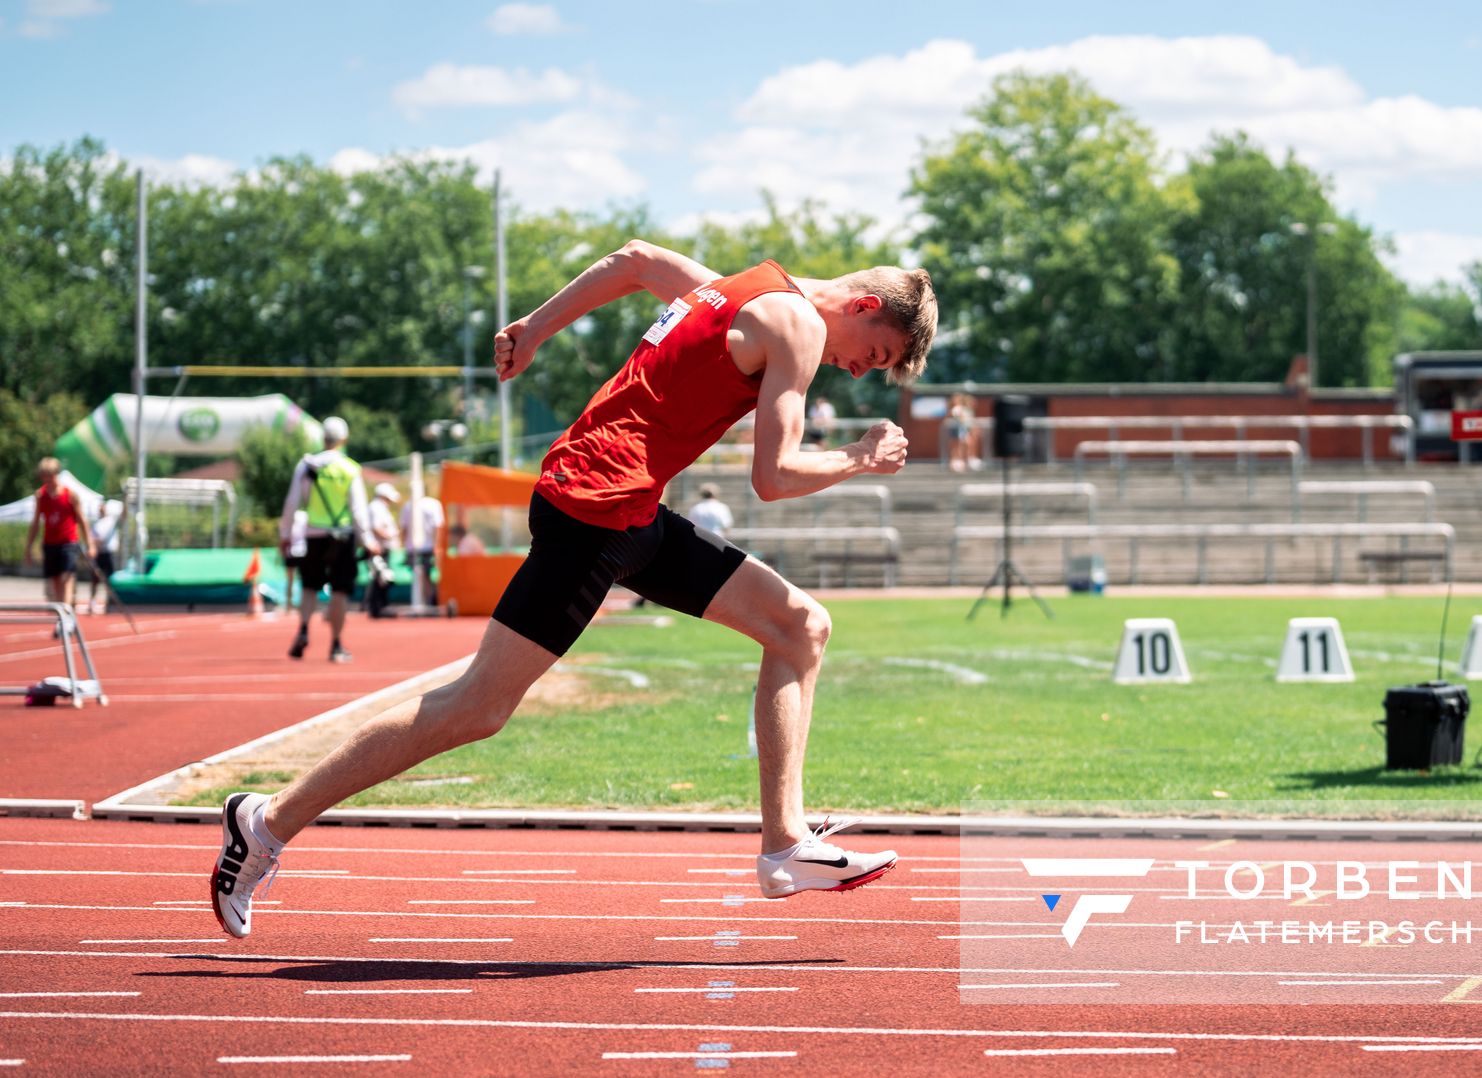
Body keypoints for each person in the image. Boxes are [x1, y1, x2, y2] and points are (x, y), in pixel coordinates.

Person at [210, 243, 937, 938]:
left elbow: (635, 260)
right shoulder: (798, 325)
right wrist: (858, 454)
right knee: (477, 706)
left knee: (798, 626)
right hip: (595, 509)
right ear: (864, 304)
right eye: (873, 356)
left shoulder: (744, 289)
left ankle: (784, 846)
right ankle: (266, 823)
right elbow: (773, 478)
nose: (859, 373)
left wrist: (533, 328)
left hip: (629, 508)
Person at [279, 416, 377, 663]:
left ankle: (302, 630)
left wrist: (285, 534)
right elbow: (358, 509)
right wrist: (366, 539)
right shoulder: (349, 468)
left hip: (312, 535)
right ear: (344, 439)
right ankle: (336, 644)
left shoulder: (307, 465)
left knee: (310, 586)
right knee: (340, 591)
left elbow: (291, 503)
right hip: (341, 537)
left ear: (323, 438)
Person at [24, 459, 96, 635]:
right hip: (50, 544)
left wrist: (90, 544)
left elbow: (82, 520)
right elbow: (35, 523)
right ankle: (63, 616)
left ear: (56, 474)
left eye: (50, 476)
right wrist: (28, 547)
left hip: (68, 543)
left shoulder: (70, 495)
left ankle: (66, 618)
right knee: (55, 583)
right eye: (44, 477)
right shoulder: (41, 496)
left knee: (66, 578)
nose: (47, 480)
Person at [400, 489, 444, 607]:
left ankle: (428, 600)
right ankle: (426, 600)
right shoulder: (432, 504)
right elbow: (438, 526)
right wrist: (437, 545)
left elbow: (403, 529)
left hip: (415, 547)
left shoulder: (408, 506)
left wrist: (404, 545)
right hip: (426, 547)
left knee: (423, 575)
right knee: (424, 575)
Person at [365, 482, 403, 619]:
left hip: (382, 547)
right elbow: (377, 527)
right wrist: (391, 536)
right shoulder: (376, 507)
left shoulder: (379, 508)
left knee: (382, 577)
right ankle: (377, 607)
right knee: (380, 577)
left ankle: (379, 606)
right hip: (378, 548)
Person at [87, 496, 124, 615]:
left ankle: (110, 603)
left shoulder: (111, 521)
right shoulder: (95, 523)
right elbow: (92, 539)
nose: (101, 509)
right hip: (98, 554)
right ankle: (92, 602)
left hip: (108, 554)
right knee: (95, 579)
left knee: (110, 580)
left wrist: (126, 500)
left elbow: (124, 515)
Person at [943, 399, 980, 472]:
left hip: (963, 430)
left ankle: (965, 460)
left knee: (966, 444)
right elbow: (956, 418)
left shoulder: (966, 410)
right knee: (956, 445)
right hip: (957, 431)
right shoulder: (955, 409)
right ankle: (955, 461)